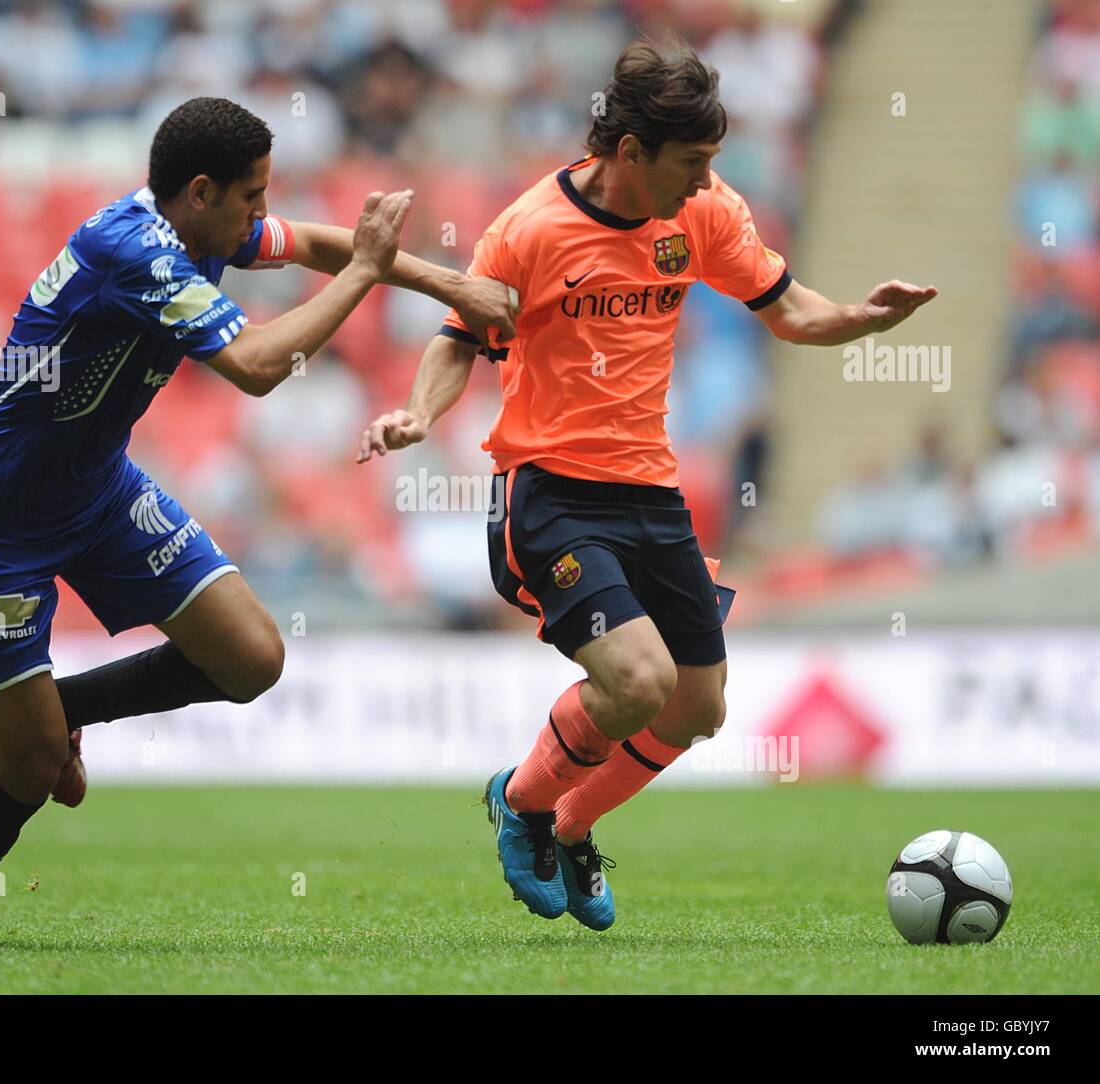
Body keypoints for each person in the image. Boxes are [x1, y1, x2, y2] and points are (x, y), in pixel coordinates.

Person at [357, 38, 936, 931]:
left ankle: (573, 823)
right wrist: (421, 415)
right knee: (638, 679)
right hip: (549, 491)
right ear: (630, 152)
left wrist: (862, 318)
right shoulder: (530, 229)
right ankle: (521, 801)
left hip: (649, 493)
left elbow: (788, 311)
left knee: (699, 706)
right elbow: (459, 336)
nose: (707, 182)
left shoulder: (701, 215)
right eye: (693, 163)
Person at [0, 96, 515, 947]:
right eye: (252, 198)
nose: (261, 218)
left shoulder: (203, 229)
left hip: (95, 491)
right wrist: (367, 275)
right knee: (27, 761)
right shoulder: (135, 252)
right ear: (199, 192)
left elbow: (314, 243)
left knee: (250, 656)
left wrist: (452, 284)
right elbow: (255, 366)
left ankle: (66, 713)